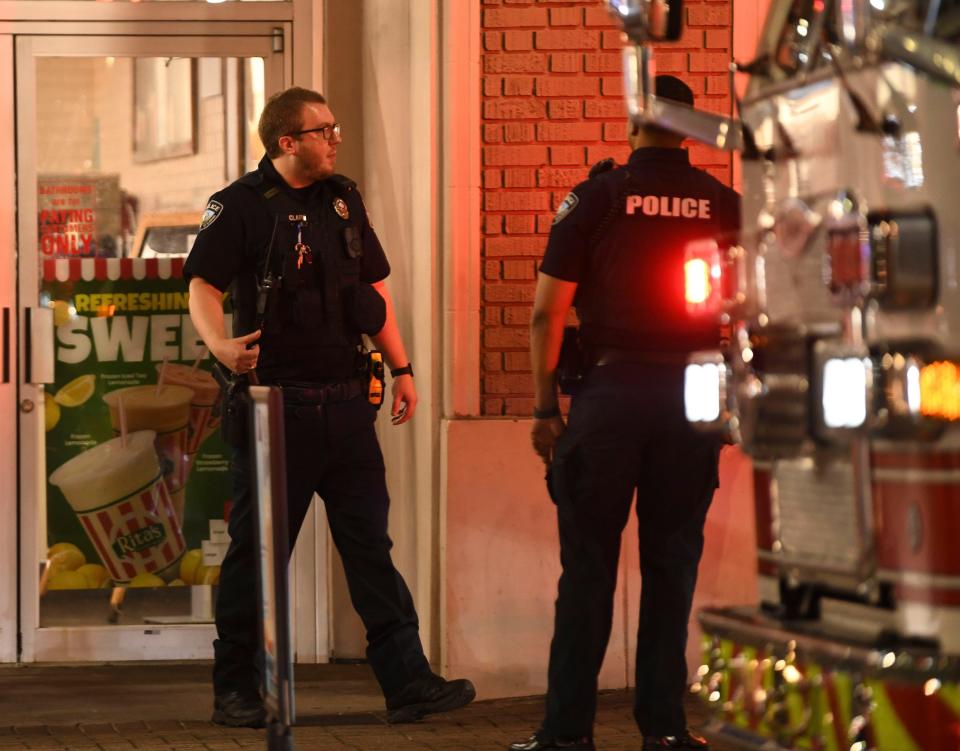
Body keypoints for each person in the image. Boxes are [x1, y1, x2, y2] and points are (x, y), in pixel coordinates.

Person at [185, 86, 475, 729]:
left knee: (370, 547)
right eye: (324, 130)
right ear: (288, 141)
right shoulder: (237, 207)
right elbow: (201, 284)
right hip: (274, 411)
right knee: (256, 558)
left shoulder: (343, 197)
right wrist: (220, 344)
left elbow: (369, 288)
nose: (335, 137)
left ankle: (409, 684)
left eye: (335, 127)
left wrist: (402, 368)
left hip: (347, 406)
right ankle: (235, 690)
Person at [510, 76, 740, 751]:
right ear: (689, 125)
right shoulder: (725, 203)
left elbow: (546, 313)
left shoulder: (598, 197)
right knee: (672, 564)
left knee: (586, 567)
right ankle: (665, 729)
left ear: (635, 119)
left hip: (609, 399)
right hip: (695, 396)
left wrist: (543, 407)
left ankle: (566, 735)